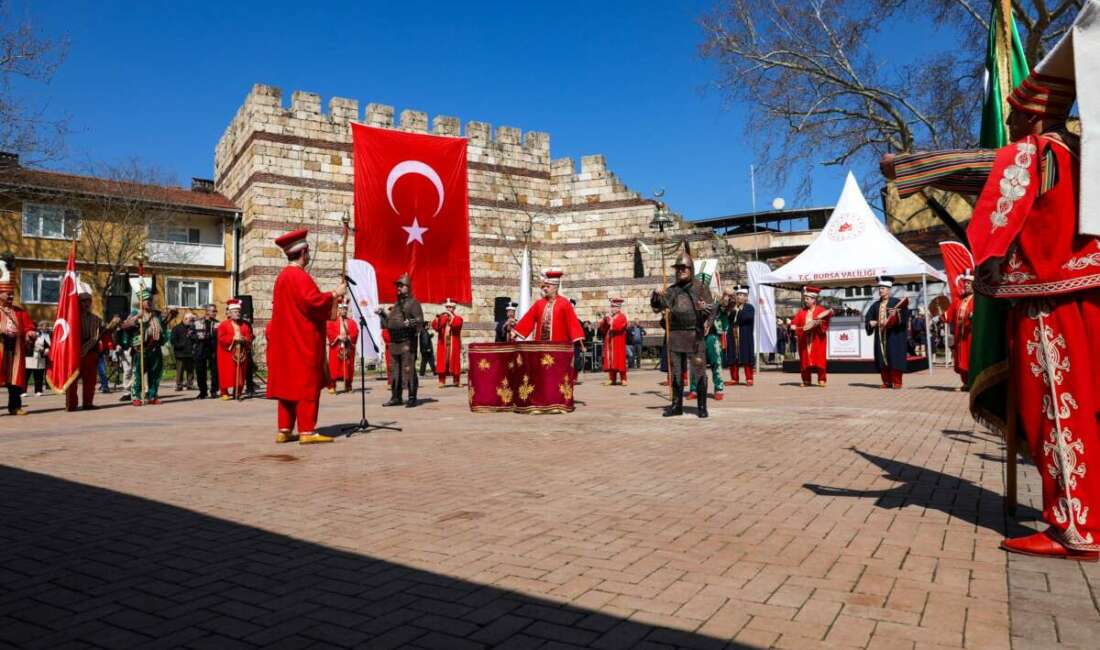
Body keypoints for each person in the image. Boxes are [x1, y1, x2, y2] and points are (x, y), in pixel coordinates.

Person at [880, 3, 1100, 559]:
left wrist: (912, 168)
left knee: (1056, 409)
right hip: (1085, 295)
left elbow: (989, 177)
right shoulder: (1082, 156)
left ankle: (1077, 525)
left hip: (1051, 303)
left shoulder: (1038, 151)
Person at [266, 228, 344, 444]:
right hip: (302, 340)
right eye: (307, 252)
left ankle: (284, 429)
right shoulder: (299, 277)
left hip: (285, 342)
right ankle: (307, 431)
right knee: (305, 385)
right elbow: (314, 302)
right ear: (303, 253)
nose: (308, 256)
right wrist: (335, 294)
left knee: (287, 387)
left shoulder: (282, 278)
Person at [650, 249, 714, 418]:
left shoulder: (701, 287)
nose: (681, 270)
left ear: (691, 269)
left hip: (695, 335)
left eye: (684, 268)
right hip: (676, 335)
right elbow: (658, 306)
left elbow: (711, 309)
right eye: (678, 268)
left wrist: (706, 316)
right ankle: (676, 406)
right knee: (676, 372)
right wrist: (656, 295)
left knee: (699, 371)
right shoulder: (671, 291)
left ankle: (701, 406)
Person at [67, 283, 116, 411]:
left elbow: (104, 333)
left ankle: (88, 403)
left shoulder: (96, 319)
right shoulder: (71, 318)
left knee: (90, 381)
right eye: (83, 301)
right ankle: (71, 404)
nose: (86, 304)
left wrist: (113, 325)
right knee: (72, 381)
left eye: (89, 301)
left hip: (91, 353)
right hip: (75, 353)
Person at [119, 289, 169, 406]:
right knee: (138, 374)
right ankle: (136, 396)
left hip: (155, 348)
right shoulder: (135, 313)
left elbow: (163, 329)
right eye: (147, 300)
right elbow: (124, 326)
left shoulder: (156, 314)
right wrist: (137, 318)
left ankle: (152, 395)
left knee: (155, 373)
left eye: (151, 300)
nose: (150, 302)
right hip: (141, 349)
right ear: (141, 302)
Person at [513, 268, 585, 347]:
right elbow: (528, 319)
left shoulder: (565, 303)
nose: (545, 289)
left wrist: (579, 340)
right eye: (544, 286)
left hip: (559, 347)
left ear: (555, 287)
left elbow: (572, 322)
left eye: (547, 286)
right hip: (540, 346)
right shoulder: (539, 304)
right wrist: (515, 333)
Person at [381, 273, 423, 408]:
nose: (398, 288)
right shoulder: (396, 305)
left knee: (408, 369)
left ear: (408, 287)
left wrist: (410, 322)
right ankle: (396, 397)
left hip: (407, 342)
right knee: (395, 370)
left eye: (401, 286)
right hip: (394, 342)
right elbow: (388, 323)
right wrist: (382, 314)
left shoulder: (414, 303)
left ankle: (411, 397)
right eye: (397, 286)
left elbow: (420, 321)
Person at [864, 277, 909, 389]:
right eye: (879, 288)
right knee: (882, 358)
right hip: (880, 336)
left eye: (883, 288)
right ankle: (886, 381)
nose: (880, 290)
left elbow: (904, 317)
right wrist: (870, 323)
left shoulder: (896, 302)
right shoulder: (875, 305)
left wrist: (896, 315)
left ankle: (897, 382)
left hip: (894, 336)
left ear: (889, 289)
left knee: (894, 358)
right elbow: (868, 317)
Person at [790, 287, 831, 387]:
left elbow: (826, 321)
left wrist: (819, 323)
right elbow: (795, 321)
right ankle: (806, 380)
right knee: (805, 359)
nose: (805, 301)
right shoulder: (802, 312)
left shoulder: (821, 310)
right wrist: (792, 325)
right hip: (804, 339)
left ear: (813, 300)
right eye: (805, 299)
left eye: (807, 299)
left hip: (817, 339)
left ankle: (822, 379)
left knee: (819, 358)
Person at [943, 271, 975, 389]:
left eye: (969, 283)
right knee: (961, 359)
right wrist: (938, 312)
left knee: (971, 359)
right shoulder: (958, 300)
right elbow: (948, 314)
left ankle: (974, 383)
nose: (966, 285)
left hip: (971, 336)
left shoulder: (978, 300)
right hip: (960, 337)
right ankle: (966, 383)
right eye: (965, 283)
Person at [216, 298, 253, 400]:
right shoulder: (223, 324)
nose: (238, 313)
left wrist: (244, 339)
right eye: (235, 312)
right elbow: (221, 338)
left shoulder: (245, 325)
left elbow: (250, 337)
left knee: (240, 372)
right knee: (226, 372)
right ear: (230, 313)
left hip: (241, 352)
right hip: (226, 353)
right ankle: (224, 392)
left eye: (239, 312)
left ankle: (238, 392)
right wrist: (233, 338)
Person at [721, 285, 756, 387]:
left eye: (742, 295)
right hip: (733, 334)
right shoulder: (732, 307)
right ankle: (734, 378)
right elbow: (726, 315)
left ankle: (749, 378)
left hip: (745, 335)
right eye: (738, 295)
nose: (739, 297)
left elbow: (745, 318)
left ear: (746, 297)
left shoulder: (749, 307)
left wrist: (738, 311)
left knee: (746, 356)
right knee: (732, 356)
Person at [326, 300, 359, 394]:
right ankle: (332, 386)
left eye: (345, 309)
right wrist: (337, 336)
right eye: (342, 309)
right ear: (338, 310)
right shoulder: (332, 321)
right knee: (334, 367)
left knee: (348, 366)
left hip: (347, 347)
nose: (344, 311)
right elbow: (329, 330)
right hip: (336, 346)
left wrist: (348, 337)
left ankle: (348, 385)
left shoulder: (351, 322)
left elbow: (355, 332)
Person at [431, 298, 464, 388]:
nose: (449, 309)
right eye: (447, 307)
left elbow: (457, 325)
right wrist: (438, 319)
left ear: (454, 308)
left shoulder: (458, 318)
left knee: (455, 362)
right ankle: (442, 381)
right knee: (442, 361)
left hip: (453, 343)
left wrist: (451, 317)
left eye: (451, 307)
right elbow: (436, 327)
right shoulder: (443, 317)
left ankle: (456, 381)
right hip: (443, 344)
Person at [597, 297, 629, 386]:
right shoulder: (609, 317)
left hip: (618, 342)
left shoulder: (622, 316)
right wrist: (603, 322)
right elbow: (603, 330)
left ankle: (623, 379)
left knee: (619, 360)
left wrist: (611, 322)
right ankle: (612, 379)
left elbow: (618, 327)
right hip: (609, 342)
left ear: (618, 308)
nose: (613, 309)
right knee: (611, 361)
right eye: (612, 307)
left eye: (614, 307)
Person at [190, 304, 218, 399]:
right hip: (200, 349)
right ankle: (203, 391)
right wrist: (198, 337)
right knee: (200, 371)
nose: (215, 313)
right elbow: (190, 335)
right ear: (207, 311)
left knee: (215, 371)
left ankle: (214, 391)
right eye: (213, 311)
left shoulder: (218, 323)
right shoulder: (197, 322)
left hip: (213, 350)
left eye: (215, 311)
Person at [171, 314, 195, 391]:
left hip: (190, 352)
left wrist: (192, 336)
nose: (192, 322)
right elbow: (173, 340)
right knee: (180, 370)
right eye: (191, 320)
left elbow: (195, 338)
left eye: (192, 321)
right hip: (180, 353)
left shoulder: (192, 328)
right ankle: (179, 385)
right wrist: (181, 346)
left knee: (190, 370)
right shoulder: (176, 328)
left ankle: (189, 384)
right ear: (185, 319)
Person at [27, 321, 50, 396]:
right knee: (27, 374)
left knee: (39, 375)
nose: (46, 328)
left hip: (40, 357)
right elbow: (28, 345)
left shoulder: (45, 335)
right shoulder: (31, 335)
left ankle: (38, 390)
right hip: (31, 357)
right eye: (44, 326)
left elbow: (47, 345)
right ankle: (23, 391)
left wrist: (46, 349)